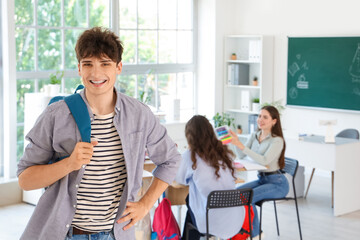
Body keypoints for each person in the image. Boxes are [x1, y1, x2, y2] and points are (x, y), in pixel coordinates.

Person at [17, 27, 181, 240]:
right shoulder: (56, 115)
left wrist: (146, 204)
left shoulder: (139, 115)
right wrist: (69, 164)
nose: (96, 73)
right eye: (88, 64)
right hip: (66, 234)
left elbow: (170, 160)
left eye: (105, 64)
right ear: (79, 69)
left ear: (118, 67)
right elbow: (25, 179)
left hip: (116, 235)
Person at [175, 115, 245, 240]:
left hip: (211, 222)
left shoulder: (190, 156)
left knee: (191, 201)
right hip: (236, 219)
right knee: (191, 200)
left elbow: (179, 179)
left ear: (189, 136)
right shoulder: (224, 152)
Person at [229, 105, 289, 240]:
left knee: (247, 198)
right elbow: (242, 155)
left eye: (265, 117)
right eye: (259, 116)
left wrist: (241, 146)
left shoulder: (277, 140)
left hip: (277, 183)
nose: (260, 120)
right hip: (262, 179)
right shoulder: (255, 135)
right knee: (235, 194)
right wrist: (235, 142)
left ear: (274, 121)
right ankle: (238, 230)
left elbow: (264, 160)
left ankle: (255, 234)